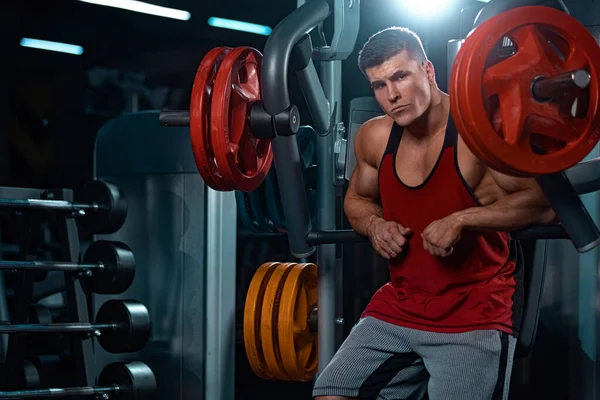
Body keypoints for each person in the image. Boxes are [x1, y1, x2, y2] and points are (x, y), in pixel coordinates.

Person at [312, 27, 556, 400]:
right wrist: (374, 224)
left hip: (474, 313)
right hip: (401, 305)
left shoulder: (477, 132)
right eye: (379, 85)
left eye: (400, 76)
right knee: (331, 392)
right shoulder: (376, 137)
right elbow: (357, 200)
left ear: (428, 70)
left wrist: (462, 219)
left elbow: (542, 205)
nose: (391, 95)